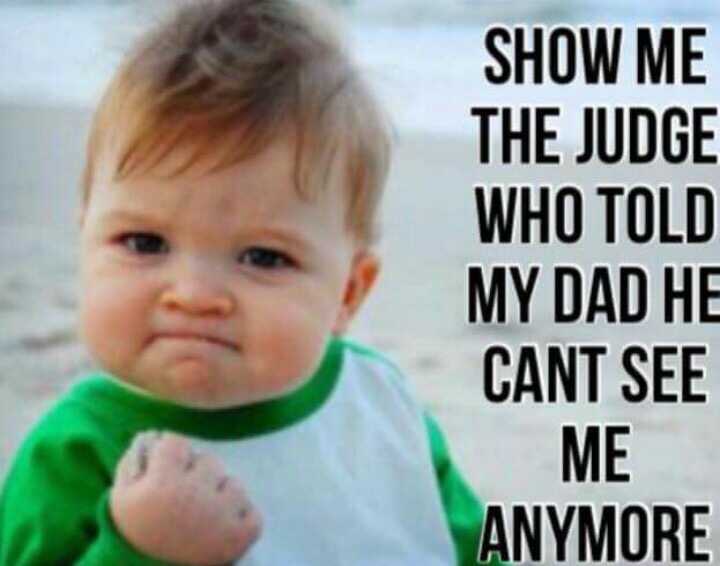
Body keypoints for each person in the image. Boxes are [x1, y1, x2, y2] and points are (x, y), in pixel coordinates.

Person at [0, 0, 504, 564]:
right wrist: (138, 550)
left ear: (348, 294)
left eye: (263, 257)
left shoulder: (379, 403)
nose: (193, 295)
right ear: (85, 242)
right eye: (144, 243)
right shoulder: (78, 451)